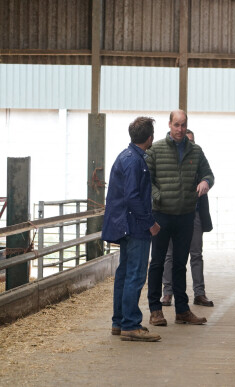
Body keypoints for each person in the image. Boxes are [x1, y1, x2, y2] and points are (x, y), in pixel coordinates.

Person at [146, 110, 214, 326]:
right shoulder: (155, 149)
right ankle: (155, 310)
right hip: (161, 216)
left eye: (184, 125)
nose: (180, 129)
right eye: (176, 125)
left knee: (179, 264)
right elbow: (147, 180)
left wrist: (205, 182)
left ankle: (182, 311)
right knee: (157, 263)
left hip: (186, 216)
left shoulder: (196, 150)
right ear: (169, 124)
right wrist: (159, 197)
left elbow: (209, 174)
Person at [102, 116, 162, 342]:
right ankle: (130, 324)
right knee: (136, 275)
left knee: (124, 273)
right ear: (150, 138)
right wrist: (151, 223)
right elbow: (133, 197)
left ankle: (119, 321)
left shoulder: (125, 157)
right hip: (135, 227)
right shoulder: (135, 162)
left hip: (123, 225)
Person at [161, 129, 214, 308]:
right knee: (170, 254)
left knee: (196, 254)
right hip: (171, 212)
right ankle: (167, 292)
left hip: (194, 212)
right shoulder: (166, 156)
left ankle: (199, 293)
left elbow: (209, 174)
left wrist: (205, 181)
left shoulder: (197, 154)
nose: (187, 143)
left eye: (190, 140)